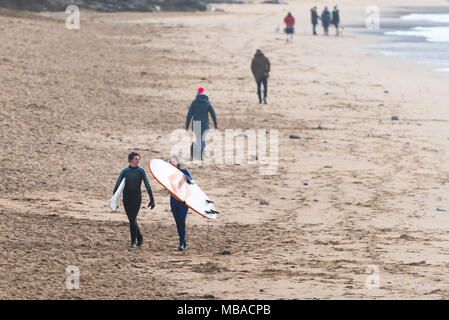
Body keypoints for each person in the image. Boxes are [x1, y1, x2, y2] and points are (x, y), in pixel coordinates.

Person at [113, 152, 155, 248]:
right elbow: (117, 184)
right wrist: (114, 198)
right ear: (131, 160)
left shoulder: (141, 171)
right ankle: (140, 238)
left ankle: (133, 242)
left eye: (138, 159)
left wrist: (152, 199)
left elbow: (147, 185)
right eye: (136, 159)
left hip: (137, 198)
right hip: (127, 199)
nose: (138, 161)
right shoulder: (125, 171)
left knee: (132, 219)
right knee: (132, 220)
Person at [169, 155, 194, 251]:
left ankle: (182, 243)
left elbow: (192, 182)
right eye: (170, 162)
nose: (172, 163)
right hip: (174, 201)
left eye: (174, 161)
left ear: (178, 163)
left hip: (183, 201)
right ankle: (183, 242)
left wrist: (187, 179)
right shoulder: (168, 174)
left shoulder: (184, 172)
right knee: (178, 223)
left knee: (182, 220)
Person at [186, 87, 218, 160]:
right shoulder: (207, 103)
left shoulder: (194, 103)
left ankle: (194, 151)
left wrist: (187, 125)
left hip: (196, 124)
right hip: (205, 124)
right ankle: (201, 154)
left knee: (198, 139)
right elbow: (213, 114)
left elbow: (189, 115)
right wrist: (215, 124)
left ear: (197, 93)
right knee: (202, 139)